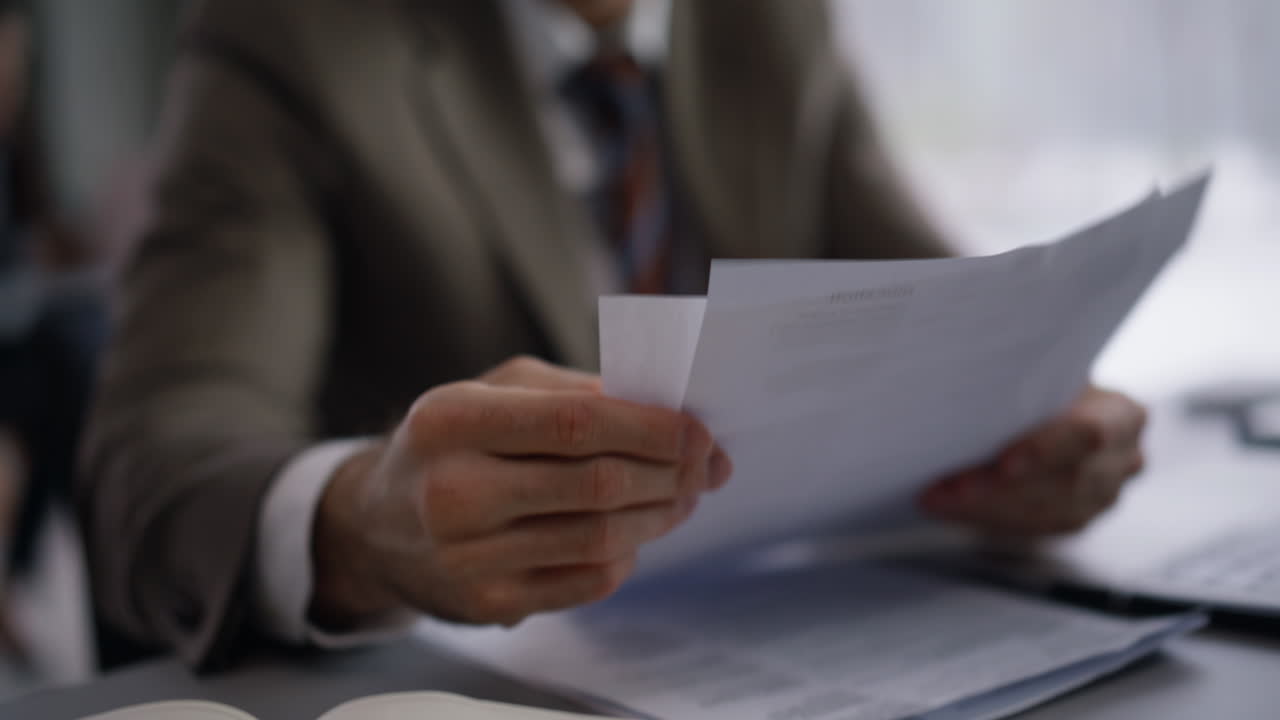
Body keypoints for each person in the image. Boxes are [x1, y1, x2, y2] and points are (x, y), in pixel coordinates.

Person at [80, 0, 1147, 671]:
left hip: (798, 650)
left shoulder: (770, 21)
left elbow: (950, 307)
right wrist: (361, 526)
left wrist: (1042, 414)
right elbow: (151, 465)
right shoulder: (293, 33)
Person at [0, 0, 108, 662]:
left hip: (20, 351)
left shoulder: (13, 155)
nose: (11, 81)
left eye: (18, 65)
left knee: (84, 349)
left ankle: (40, 578)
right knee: (75, 356)